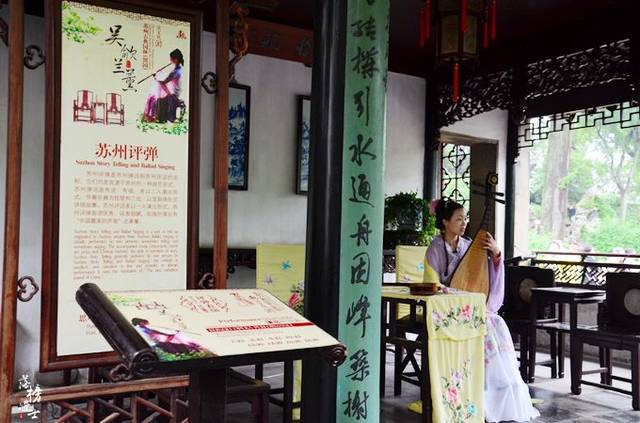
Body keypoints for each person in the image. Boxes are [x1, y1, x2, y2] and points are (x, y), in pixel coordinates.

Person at [425, 198, 540, 422]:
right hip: (447, 309)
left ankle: (494, 390)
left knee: (494, 322)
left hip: (471, 307)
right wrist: (451, 293)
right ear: (445, 222)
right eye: (459, 219)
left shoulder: (470, 245)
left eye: (465, 218)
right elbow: (431, 283)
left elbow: (486, 274)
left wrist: (496, 253)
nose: (464, 223)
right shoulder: (435, 249)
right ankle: (473, 391)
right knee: (484, 324)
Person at [143, 48, 184, 123]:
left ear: (175, 60)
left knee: (153, 97)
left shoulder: (175, 72)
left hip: (174, 95)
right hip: (176, 92)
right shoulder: (179, 69)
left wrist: (155, 76)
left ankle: (153, 116)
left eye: (171, 58)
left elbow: (163, 83)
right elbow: (169, 79)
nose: (170, 60)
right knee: (156, 94)